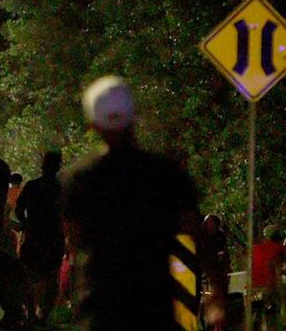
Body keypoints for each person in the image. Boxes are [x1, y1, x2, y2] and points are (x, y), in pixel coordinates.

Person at [61, 75, 227, 330]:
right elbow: (198, 237)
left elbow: (74, 240)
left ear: (92, 124)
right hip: (153, 308)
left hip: (99, 310)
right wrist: (217, 293)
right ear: (133, 117)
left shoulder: (79, 179)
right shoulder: (165, 174)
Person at [15, 150, 65, 322]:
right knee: (50, 277)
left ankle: (32, 313)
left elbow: (19, 209)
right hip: (53, 238)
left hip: (35, 237)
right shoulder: (61, 187)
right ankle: (43, 314)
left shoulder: (33, 186)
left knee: (31, 277)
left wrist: (27, 223)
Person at [252, 224, 286, 327]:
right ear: (278, 237)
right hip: (270, 288)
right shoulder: (280, 248)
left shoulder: (255, 248)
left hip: (252, 288)